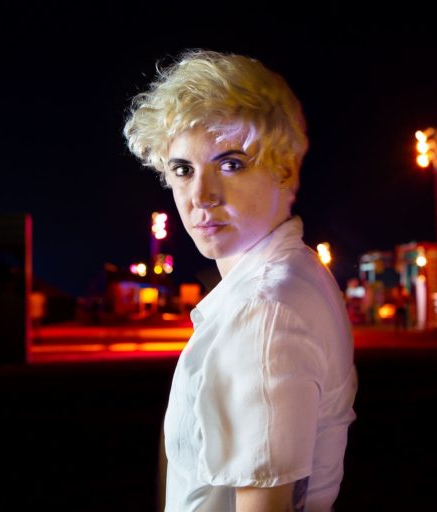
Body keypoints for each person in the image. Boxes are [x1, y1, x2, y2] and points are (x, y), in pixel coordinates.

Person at [123, 49, 357, 512]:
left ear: (283, 168)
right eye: (183, 169)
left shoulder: (265, 310)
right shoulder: (294, 274)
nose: (201, 196)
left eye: (230, 163)